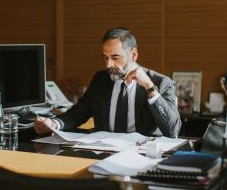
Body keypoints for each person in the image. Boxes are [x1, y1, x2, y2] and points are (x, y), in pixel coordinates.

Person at [35, 27, 181, 138]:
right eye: (105, 57)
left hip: (141, 156)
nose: (108, 64)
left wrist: (150, 88)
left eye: (115, 57)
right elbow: (78, 114)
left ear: (134, 54)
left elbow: (173, 130)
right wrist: (53, 124)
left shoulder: (161, 83)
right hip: (102, 153)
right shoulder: (100, 79)